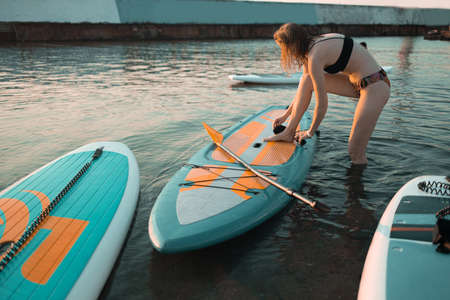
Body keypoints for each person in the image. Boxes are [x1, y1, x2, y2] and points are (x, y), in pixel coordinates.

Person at [264, 23, 390, 165]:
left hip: (375, 86)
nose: (285, 54)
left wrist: (310, 132)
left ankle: (355, 185)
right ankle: (289, 132)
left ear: (292, 45)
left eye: (284, 49)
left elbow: (322, 104)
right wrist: (286, 114)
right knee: (306, 80)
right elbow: (303, 89)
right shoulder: (311, 48)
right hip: (356, 84)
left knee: (355, 151)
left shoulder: (315, 56)